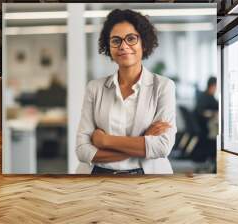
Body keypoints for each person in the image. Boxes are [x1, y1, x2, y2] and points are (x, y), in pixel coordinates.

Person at [75, 9, 177, 175]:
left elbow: (161, 147)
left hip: (148, 177)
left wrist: (104, 140)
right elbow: (82, 150)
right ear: (109, 46)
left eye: (131, 38)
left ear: (143, 42)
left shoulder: (164, 86)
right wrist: (142, 141)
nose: (123, 46)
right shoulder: (94, 88)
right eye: (116, 40)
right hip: (97, 175)